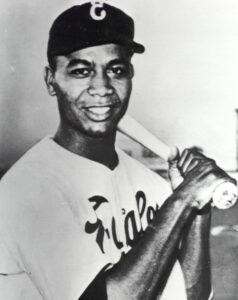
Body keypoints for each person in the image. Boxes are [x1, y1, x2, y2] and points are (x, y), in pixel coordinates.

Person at [0, 2, 234, 299]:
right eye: (81, 70)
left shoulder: (150, 184)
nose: (102, 86)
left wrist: (198, 204)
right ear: (51, 80)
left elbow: (192, 296)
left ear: (130, 76)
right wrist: (183, 200)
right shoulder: (26, 190)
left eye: (116, 69)